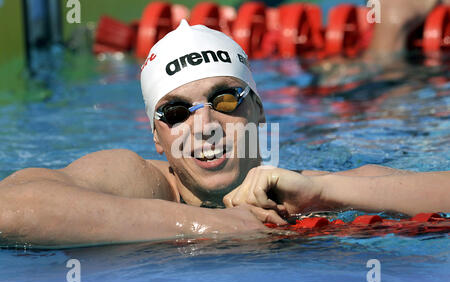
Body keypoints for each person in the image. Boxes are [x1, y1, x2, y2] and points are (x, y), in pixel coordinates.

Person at [0, 17, 448, 248]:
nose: (205, 126)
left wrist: (324, 190)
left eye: (227, 100)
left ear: (259, 111)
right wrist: (214, 225)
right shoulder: (143, 184)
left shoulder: (310, 188)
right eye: (175, 111)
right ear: (157, 138)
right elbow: (11, 208)